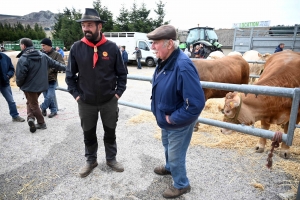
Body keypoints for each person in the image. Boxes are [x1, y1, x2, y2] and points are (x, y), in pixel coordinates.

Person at [65, 8, 127, 178]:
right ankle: (91, 160)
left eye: (90, 25)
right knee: (88, 133)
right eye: (83, 25)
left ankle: (111, 159)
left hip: (109, 101)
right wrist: (77, 96)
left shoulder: (112, 48)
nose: (86, 29)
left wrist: (117, 94)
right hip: (86, 102)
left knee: (110, 131)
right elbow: (69, 76)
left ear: (99, 26)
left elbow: (122, 74)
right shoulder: (77, 48)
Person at [147, 25, 205, 198]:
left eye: (156, 43)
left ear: (170, 44)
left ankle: (181, 184)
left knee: (175, 153)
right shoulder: (165, 61)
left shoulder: (183, 66)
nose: (152, 47)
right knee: (167, 146)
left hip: (177, 122)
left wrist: (173, 118)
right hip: (166, 118)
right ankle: (169, 167)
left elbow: (196, 103)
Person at [16, 38, 66, 133]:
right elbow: (55, 64)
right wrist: (68, 69)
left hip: (29, 87)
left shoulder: (24, 58)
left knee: (33, 104)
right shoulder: (42, 55)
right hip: (42, 85)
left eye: (20, 45)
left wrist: (19, 84)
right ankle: (30, 118)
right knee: (30, 102)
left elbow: (20, 75)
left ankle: (41, 123)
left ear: (24, 46)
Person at [40, 38, 65, 118]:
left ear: (49, 46)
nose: (42, 47)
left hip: (52, 79)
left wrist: (51, 69)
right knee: (46, 96)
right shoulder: (41, 54)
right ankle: (53, 110)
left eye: (44, 45)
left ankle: (42, 107)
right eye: (42, 45)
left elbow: (62, 64)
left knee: (50, 96)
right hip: (42, 79)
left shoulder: (57, 54)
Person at [0, 52, 25, 122]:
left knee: (11, 101)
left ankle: (15, 116)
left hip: (4, 83)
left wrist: (7, 76)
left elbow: (11, 69)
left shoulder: (5, 57)